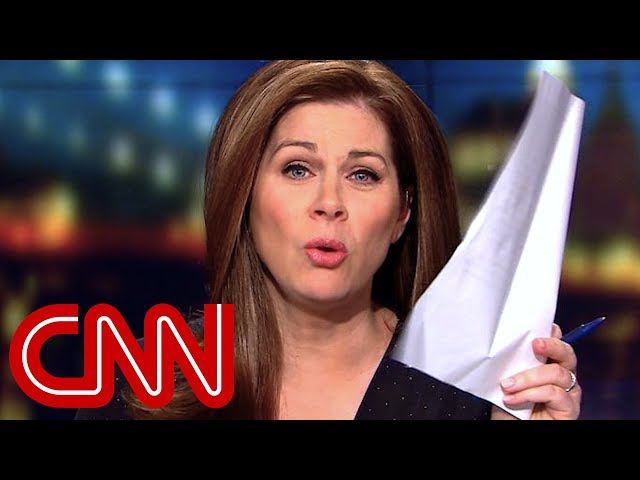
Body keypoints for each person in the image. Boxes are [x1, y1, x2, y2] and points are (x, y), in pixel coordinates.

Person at [75, 60, 581, 420]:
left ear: (402, 213)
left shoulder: (474, 396)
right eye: (298, 169)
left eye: (363, 175)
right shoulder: (138, 383)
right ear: (244, 195)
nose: (329, 202)